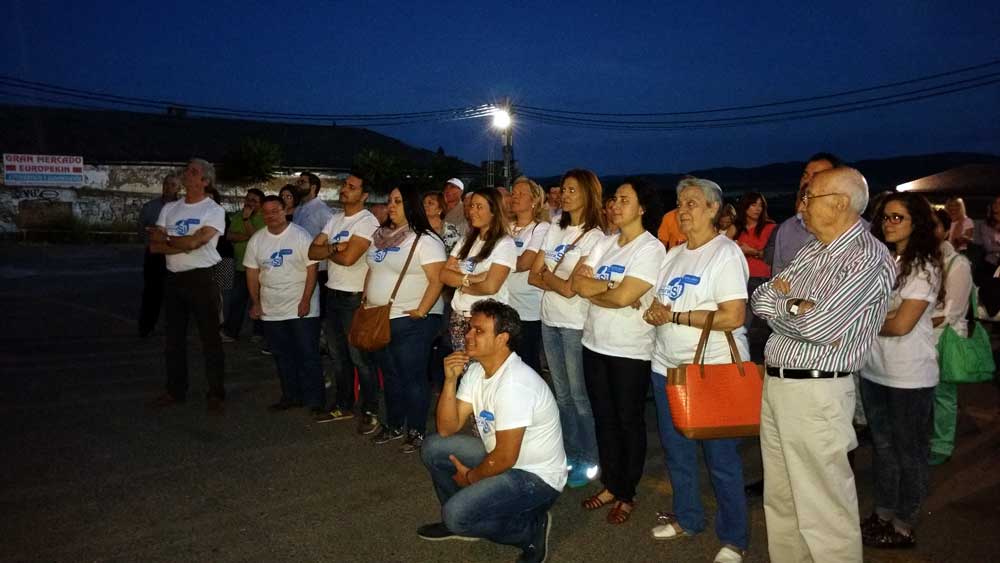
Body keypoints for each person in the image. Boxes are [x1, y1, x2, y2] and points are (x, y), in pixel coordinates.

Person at [751, 167, 895, 563]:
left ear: (840, 203)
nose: (801, 206)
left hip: (817, 392)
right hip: (779, 386)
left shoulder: (868, 257)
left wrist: (787, 307)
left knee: (824, 509)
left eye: (808, 197)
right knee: (781, 501)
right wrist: (794, 307)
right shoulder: (814, 251)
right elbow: (760, 298)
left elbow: (819, 326)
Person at [643, 178, 749, 563]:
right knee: (678, 453)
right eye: (679, 203)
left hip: (711, 372)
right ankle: (688, 518)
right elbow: (661, 303)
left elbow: (733, 316)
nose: (682, 210)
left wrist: (674, 315)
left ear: (712, 210)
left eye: (692, 203)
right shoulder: (673, 255)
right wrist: (656, 313)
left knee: (721, 460)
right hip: (666, 369)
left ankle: (735, 537)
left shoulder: (726, 254)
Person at [417, 300, 564, 563]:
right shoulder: (476, 371)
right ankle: (462, 519)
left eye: (479, 331)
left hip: (536, 478)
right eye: (470, 329)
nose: (468, 335)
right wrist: (450, 380)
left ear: (502, 339)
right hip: (502, 458)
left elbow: (506, 457)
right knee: (434, 447)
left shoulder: (515, 384)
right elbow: (447, 428)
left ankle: (529, 530)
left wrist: (472, 478)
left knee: (456, 515)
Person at [571, 177, 665, 525]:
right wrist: (611, 288)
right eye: (614, 199)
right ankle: (611, 483)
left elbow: (627, 297)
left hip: (629, 350)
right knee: (604, 419)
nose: (616, 205)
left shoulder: (650, 249)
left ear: (642, 208)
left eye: (625, 200)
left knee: (628, 422)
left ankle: (627, 492)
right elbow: (577, 283)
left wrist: (605, 291)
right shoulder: (606, 244)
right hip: (593, 343)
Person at [860, 192, 942, 549]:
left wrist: (858, 321)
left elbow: (902, 324)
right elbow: (884, 318)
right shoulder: (883, 261)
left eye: (898, 218)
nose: (889, 224)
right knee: (884, 447)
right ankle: (883, 512)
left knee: (909, 451)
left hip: (909, 375)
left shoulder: (924, 266)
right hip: (875, 369)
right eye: (886, 217)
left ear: (916, 223)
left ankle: (904, 522)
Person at [528, 168, 606, 488]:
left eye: (573, 189)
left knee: (579, 395)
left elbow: (572, 289)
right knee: (561, 395)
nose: (566, 194)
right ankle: (571, 454)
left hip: (575, 324)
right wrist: (552, 279)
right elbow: (534, 275)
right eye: (564, 189)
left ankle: (591, 458)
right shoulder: (553, 229)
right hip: (550, 320)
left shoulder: (596, 237)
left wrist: (550, 278)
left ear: (589, 193)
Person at [365, 184, 446, 452]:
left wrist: (421, 311)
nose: (391, 206)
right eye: (389, 200)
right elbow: (372, 270)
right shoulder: (380, 236)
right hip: (380, 317)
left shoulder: (426, 240)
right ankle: (394, 424)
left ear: (411, 205)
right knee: (390, 376)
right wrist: (366, 300)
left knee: (411, 377)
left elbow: (437, 280)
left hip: (411, 320)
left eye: (398, 201)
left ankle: (416, 430)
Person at [146, 158, 228, 414]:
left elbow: (195, 243)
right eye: (187, 170)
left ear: (205, 181)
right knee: (173, 339)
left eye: (193, 172)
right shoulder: (170, 208)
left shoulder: (212, 210)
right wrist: (180, 241)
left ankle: (216, 392)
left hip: (203, 277)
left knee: (209, 338)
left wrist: (170, 239)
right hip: (173, 278)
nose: (186, 174)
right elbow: (154, 246)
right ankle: (175, 389)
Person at [309, 173, 382, 433]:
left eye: (352, 187)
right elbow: (312, 251)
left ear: (363, 195)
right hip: (333, 293)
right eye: (344, 185)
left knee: (360, 358)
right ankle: (343, 404)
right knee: (338, 357)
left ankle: (371, 409)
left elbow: (351, 258)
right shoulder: (334, 219)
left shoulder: (367, 221)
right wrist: (334, 248)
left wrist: (333, 249)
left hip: (354, 298)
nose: (344, 190)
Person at [245, 196, 323, 413]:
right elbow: (252, 273)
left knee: (308, 354)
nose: (271, 215)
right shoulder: (257, 240)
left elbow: (312, 269)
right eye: (266, 212)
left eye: (275, 211)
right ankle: (291, 396)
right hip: (272, 309)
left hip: (301, 307)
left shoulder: (300, 235)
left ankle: (315, 399)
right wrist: (256, 302)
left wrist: (306, 299)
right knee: (282, 356)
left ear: (284, 210)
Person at [440, 188, 516, 351]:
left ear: (494, 211)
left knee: (480, 370)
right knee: (463, 370)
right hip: (459, 316)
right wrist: (473, 279)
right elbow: (444, 275)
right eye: (472, 206)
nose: (472, 211)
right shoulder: (467, 239)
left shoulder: (504, 244)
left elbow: (491, 287)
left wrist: (459, 281)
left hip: (485, 322)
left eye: (479, 207)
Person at [929, 209, 973, 466]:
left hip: (944, 337)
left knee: (943, 394)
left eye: (935, 226)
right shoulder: (921, 259)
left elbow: (952, 312)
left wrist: (908, 320)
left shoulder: (958, 264)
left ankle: (942, 444)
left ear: (947, 230)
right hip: (922, 336)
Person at [770, 152, 841, 277]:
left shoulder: (858, 231)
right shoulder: (786, 229)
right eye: (805, 175)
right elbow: (776, 279)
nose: (807, 181)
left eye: (817, 176)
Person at [506, 177, 550, 374]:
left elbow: (526, 262)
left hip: (527, 309)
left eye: (521, 194)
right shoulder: (506, 227)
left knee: (528, 364)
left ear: (534, 201)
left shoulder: (541, 228)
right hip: (504, 304)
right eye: (513, 193)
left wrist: (497, 266)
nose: (515, 197)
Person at [137, 173, 181, 337]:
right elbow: (141, 231)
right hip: (154, 256)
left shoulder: (183, 208)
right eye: (166, 184)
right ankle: (146, 326)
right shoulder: (150, 207)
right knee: (151, 292)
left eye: (172, 184)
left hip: (176, 255)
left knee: (175, 294)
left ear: (179, 188)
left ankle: (174, 328)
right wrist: (152, 242)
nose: (168, 187)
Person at [221, 188, 265, 342]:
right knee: (237, 301)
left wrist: (247, 221)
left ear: (261, 204)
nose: (249, 203)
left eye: (254, 200)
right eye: (248, 199)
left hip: (258, 269)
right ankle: (231, 332)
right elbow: (229, 235)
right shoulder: (239, 215)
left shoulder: (263, 217)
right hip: (240, 266)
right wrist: (247, 235)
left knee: (259, 300)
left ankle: (259, 333)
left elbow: (258, 240)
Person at [293, 172, 334, 238]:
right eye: (298, 182)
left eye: (302, 182)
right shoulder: (298, 208)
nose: (298, 184)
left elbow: (332, 236)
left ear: (313, 187)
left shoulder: (322, 211)